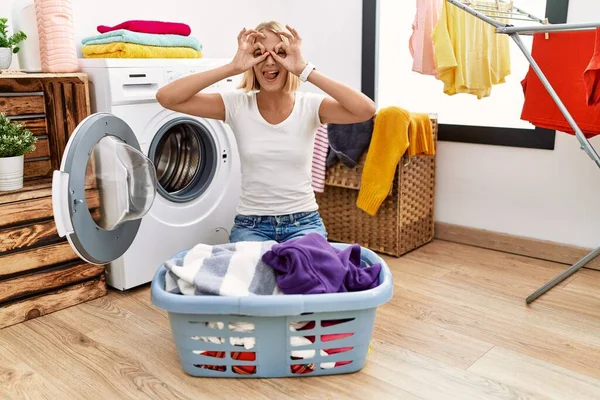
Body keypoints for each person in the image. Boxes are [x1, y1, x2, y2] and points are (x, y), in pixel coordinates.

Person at [156, 21, 376, 243]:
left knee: (305, 275)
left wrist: (303, 69)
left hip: (303, 223)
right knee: (252, 276)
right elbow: (167, 98)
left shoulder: (310, 106)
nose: (270, 61)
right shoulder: (236, 105)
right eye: (259, 53)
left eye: (280, 52)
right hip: (252, 226)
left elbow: (366, 110)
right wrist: (233, 67)